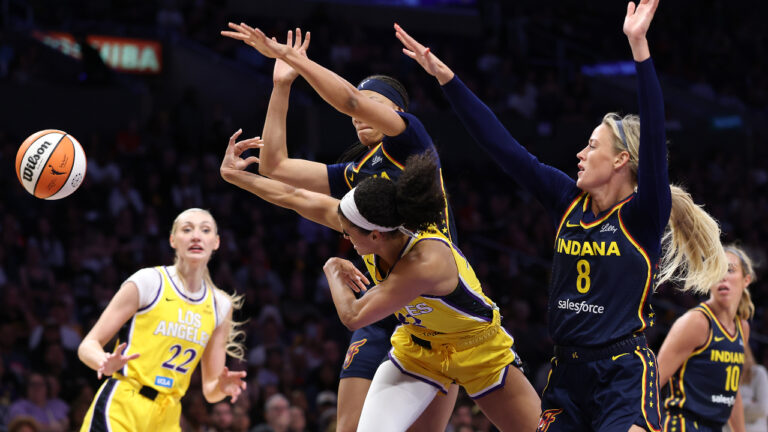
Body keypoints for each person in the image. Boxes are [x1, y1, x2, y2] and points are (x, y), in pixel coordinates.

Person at [393, 0, 729, 430]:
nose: (580, 154)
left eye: (592, 146)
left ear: (622, 160)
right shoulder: (566, 199)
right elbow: (503, 148)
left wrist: (639, 47)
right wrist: (447, 79)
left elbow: (654, 129)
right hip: (567, 373)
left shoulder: (643, 214)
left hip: (621, 375)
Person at [221, 25, 458, 432]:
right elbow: (276, 168)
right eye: (355, 112)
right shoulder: (357, 173)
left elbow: (348, 98)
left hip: (438, 312)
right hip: (383, 309)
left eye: (371, 104)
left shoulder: (413, 143)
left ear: (395, 111)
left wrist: (297, 59)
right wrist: (282, 85)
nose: (357, 114)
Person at [220, 139, 541, 431]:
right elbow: (295, 197)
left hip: (478, 350)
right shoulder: (378, 227)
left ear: (374, 235)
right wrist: (236, 176)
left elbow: (353, 316)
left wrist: (333, 270)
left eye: (349, 232)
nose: (344, 235)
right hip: (418, 350)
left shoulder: (426, 262)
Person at [76, 208, 247, 431]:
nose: (196, 236)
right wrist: (103, 362)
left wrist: (221, 387)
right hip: (123, 405)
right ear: (173, 240)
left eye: (205, 230)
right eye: (187, 229)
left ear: (216, 242)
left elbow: (210, 391)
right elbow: (87, 345)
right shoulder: (149, 281)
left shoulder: (220, 305)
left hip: (168, 415)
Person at [658, 246, 756, 432]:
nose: (723, 276)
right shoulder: (696, 322)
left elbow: (731, 392)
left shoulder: (742, 328)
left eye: (730, 270)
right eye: (717, 270)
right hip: (683, 424)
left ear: (746, 280)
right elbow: (652, 382)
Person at [740, 344, 768, 432]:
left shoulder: (758, 372)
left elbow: (763, 409)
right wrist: (749, 402)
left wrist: (738, 407)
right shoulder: (726, 374)